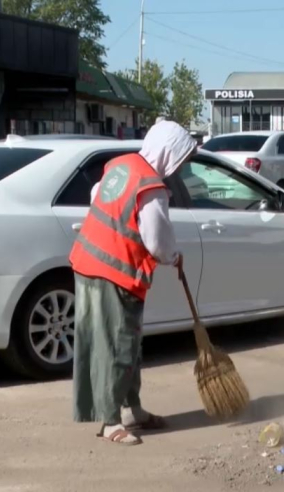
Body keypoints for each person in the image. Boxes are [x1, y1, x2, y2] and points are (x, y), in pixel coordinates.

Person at [70, 120, 196, 446]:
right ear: (168, 152)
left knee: (121, 343)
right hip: (116, 271)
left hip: (88, 262)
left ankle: (131, 409)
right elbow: (157, 240)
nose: (181, 166)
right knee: (118, 345)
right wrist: (173, 256)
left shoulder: (123, 165)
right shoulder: (151, 186)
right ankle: (110, 421)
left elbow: (97, 195)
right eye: (181, 158)